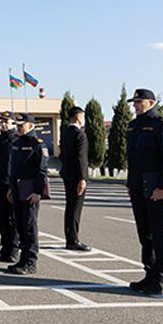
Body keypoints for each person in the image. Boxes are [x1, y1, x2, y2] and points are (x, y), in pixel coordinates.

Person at [126, 89, 163, 295]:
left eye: (139, 102)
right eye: (134, 102)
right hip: (138, 187)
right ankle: (149, 273)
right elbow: (132, 160)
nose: (135, 106)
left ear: (151, 102)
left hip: (155, 188)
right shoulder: (133, 127)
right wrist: (131, 186)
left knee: (158, 232)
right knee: (144, 233)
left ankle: (160, 278)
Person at [7, 113, 48, 275]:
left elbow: (42, 170)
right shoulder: (17, 143)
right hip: (18, 190)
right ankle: (23, 259)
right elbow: (14, 170)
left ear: (31, 126)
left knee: (30, 226)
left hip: (30, 190)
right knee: (20, 225)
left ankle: (31, 261)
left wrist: (38, 191)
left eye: (21, 125)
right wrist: (11, 188)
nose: (18, 128)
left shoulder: (37, 144)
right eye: (17, 125)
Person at [0, 112, 20, 263]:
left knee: (13, 219)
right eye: (2, 121)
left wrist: (14, 187)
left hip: (11, 185)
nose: (4, 124)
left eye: (7, 121)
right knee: (1, 218)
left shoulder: (17, 141)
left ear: (14, 124)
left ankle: (14, 249)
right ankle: (5, 247)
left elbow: (17, 166)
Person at [60, 106, 91, 251]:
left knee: (70, 207)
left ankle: (69, 238)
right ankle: (73, 240)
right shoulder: (80, 134)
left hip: (67, 175)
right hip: (77, 177)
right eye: (82, 116)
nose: (83, 119)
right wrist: (83, 178)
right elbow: (81, 158)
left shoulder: (66, 133)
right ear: (78, 117)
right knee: (76, 208)